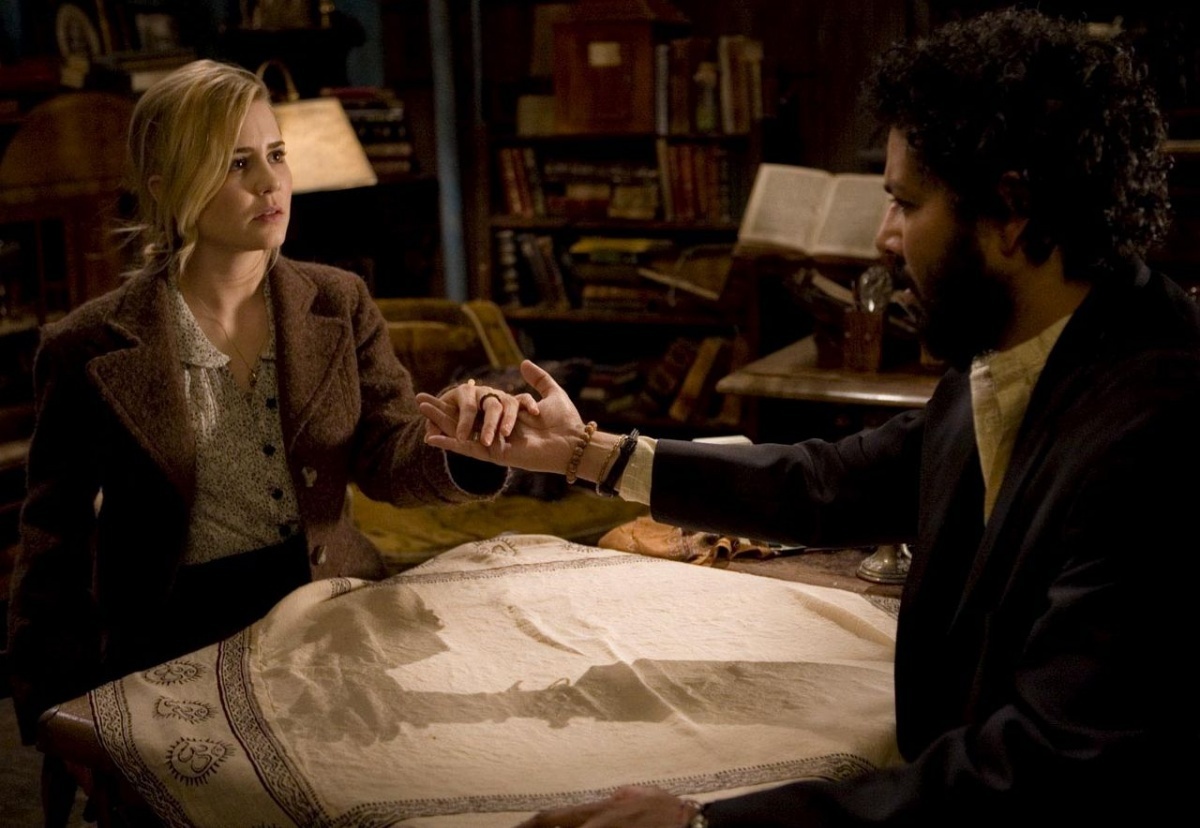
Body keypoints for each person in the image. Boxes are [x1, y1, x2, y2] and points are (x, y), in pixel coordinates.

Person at [419, 8, 1200, 826]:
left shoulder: (1163, 431)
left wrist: (702, 824)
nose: (884, 237)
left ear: (1011, 213)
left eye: (905, 203)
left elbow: (1054, 768)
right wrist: (588, 452)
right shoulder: (1036, 346)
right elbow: (830, 484)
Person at [5, 58, 531, 746]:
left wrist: (460, 442)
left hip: (328, 616)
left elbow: (389, 453)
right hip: (176, 641)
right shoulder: (86, 346)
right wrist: (53, 708)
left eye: (276, 155)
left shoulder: (338, 301)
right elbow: (52, 538)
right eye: (236, 163)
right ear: (168, 189)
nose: (270, 182)